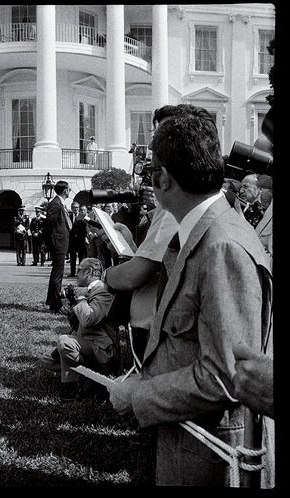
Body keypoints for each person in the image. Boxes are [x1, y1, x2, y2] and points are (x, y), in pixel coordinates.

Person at [105, 103, 272, 486]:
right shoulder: (199, 232)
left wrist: (140, 396)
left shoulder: (220, 247)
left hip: (206, 457)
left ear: (163, 178)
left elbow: (226, 376)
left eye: (149, 171)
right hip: (188, 442)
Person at [52, 258, 118, 401]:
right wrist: (71, 307)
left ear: (89, 272)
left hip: (101, 349)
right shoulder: (90, 291)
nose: (76, 274)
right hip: (86, 343)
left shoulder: (102, 291)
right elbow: (78, 325)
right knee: (48, 361)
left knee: (64, 342)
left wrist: (80, 298)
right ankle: (87, 376)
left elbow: (88, 320)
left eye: (79, 270)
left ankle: (78, 384)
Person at [44, 181, 73, 312]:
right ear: (65, 190)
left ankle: (51, 301)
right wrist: (51, 241)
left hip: (61, 241)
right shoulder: (55, 204)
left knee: (56, 272)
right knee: (58, 274)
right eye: (69, 188)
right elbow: (49, 224)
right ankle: (56, 305)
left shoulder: (59, 203)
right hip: (58, 242)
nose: (70, 190)